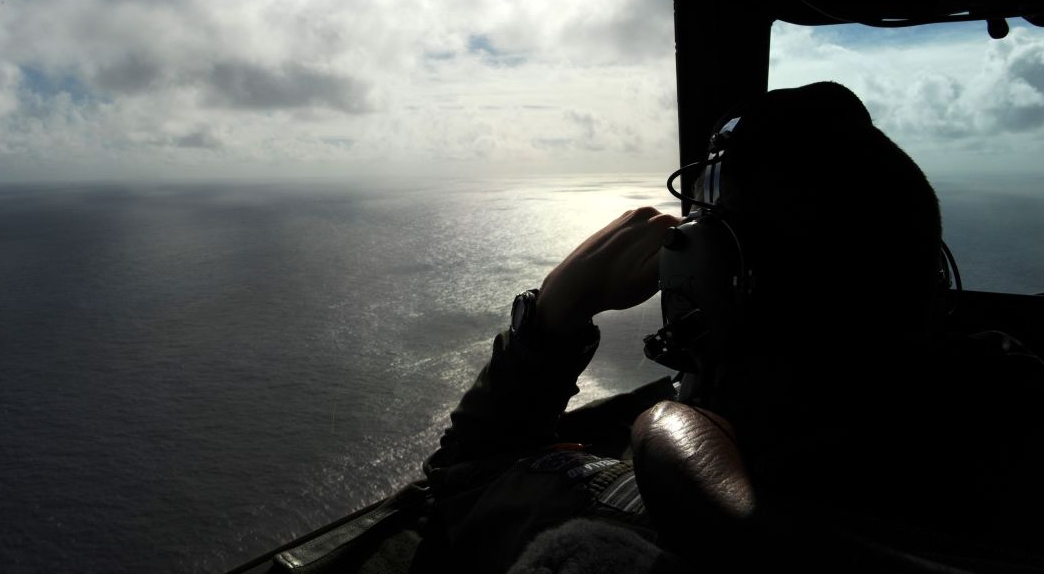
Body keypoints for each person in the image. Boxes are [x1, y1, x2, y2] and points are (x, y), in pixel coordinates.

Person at [423, 82, 1044, 573]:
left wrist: (557, 310)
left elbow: (466, 481)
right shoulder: (1017, 434)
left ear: (709, 277)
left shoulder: (635, 524)